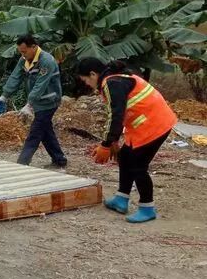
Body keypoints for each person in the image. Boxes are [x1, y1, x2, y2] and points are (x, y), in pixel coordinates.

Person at [76, 58, 177, 223]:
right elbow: (121, 111)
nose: (86, 84)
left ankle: (147, 208)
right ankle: (121, 199)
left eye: (85, 79)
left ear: (93, 74)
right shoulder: (116, 78)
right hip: (145, 124)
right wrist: (114, 141)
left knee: (138, 166)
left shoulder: (111, 83)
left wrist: (106, 144)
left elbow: (116, 115)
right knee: (124, 156)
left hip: (153, 125)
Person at [0, 35, 66, 168]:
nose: (23, 55)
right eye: (21, 52)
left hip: (49, 101)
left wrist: (29, 105)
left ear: (34, 47)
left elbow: (40, 86)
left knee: (35, 132)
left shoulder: (47, 61)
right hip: (37, 101)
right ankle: (59, 160)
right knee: (45, 131)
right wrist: (4, 96)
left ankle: (22, 163)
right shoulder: (25, 59)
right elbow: (15, 77)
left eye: (24, 51)